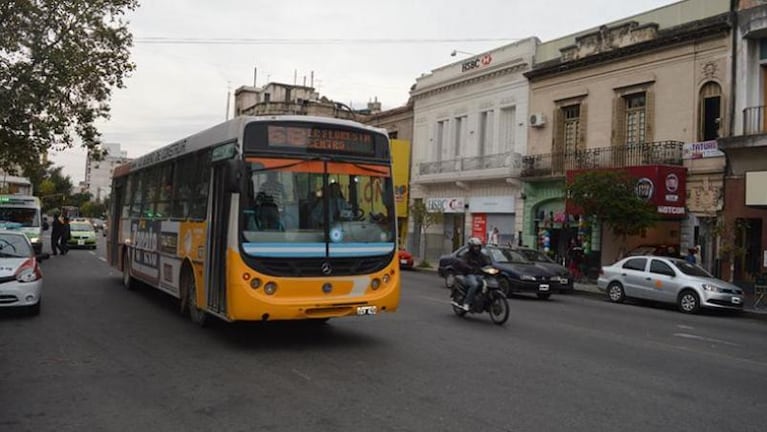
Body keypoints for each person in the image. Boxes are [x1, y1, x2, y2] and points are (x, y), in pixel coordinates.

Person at [456, 237, 491, 311]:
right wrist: (468, 267)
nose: (477, 248)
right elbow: (462, 262)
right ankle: (466, 303)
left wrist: (490, 265)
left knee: (488, 284)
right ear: (471, 247)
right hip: (470, 275)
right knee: (474, 285)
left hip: (480, 275)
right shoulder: (467, 255)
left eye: (478, 246)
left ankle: (484, 300)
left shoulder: (481, 255)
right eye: (475, 246)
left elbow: (487, 261)